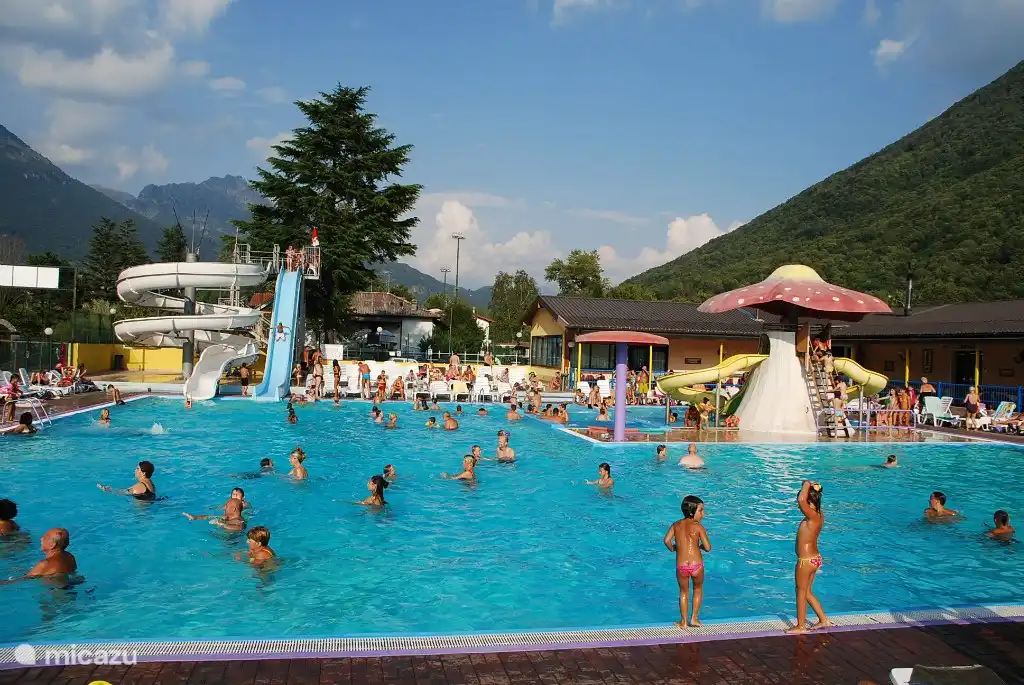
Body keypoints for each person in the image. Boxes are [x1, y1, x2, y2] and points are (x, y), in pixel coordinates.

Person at [786, 480, 832, 633]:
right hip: (815, 558)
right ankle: (824, 620)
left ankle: (800, 626)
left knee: (800, 591)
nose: (799, 504)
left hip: (805, 561)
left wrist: (806, 483)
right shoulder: (819, 514)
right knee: (807, 592)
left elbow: (800, 500)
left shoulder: (812, 515)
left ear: (808, 500)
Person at [664, 495, 711, 628]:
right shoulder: (699, 527)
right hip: (697, 565)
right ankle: (694, 619)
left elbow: (666, 541)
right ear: (692, 512)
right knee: (698, 589)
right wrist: (700, 546)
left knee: (683, 592)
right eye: (701, 510)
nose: (703, 514)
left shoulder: (676, 525)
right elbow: (708, 548)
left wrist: (673, 548)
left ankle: (683, 622)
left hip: (682, 566)